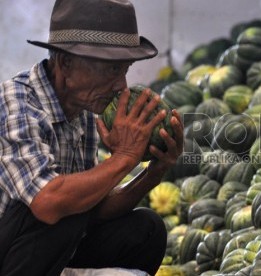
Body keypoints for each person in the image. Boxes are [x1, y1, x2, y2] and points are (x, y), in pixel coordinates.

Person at [0, 0, 184, 275]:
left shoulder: (84, 110)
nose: (121, 85)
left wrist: (154, 172)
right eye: (112, 69)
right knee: (61, 206)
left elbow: (92, 212)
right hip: (11, 250)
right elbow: (48, 204)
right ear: (66, 63)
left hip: (51, 248)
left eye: (125, 69)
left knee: (146, 229)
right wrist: (123, 157)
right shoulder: (16, 102)